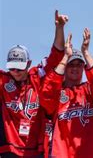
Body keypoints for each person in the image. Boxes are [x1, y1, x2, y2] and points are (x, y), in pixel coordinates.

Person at [0, 10, 67, 157]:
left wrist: (59, 28)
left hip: (36, 149)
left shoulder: (38, 76)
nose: (16, 72)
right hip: (9, 150)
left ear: (28, 63)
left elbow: (56, 54)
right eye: (12, 67)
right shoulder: (3, 80)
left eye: (20, 67)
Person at [40, 30, 93, 157]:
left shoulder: (90, 89)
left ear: (83, 67)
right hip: (63, 153)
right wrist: (65, 57)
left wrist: (86, 53)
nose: (75, 68)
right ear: (65, 67)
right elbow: (46, 95)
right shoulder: (58, 94)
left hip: (91, 153)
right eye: (71, 65)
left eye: (78, 64)